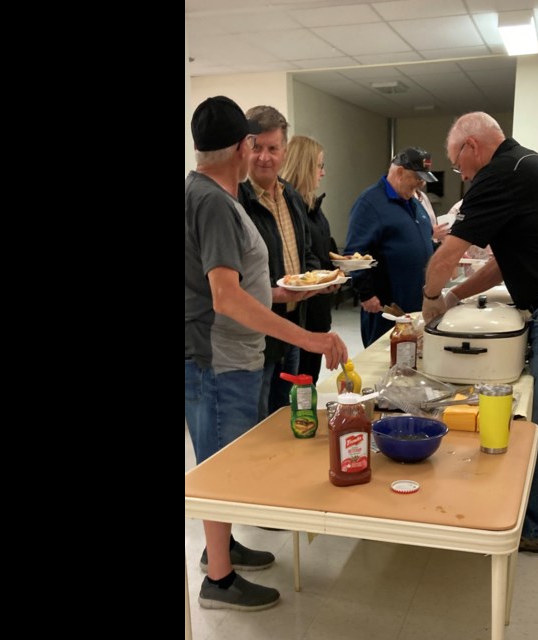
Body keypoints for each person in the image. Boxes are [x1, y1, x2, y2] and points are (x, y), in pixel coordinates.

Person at [185, 96, 348, 610]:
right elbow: (225, 296)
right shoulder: (213, 201)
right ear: (243, 146)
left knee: (224, 459)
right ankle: (219, 579)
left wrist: (280, 295)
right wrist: (311, 338)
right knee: (219, 466)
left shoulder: (203, 191)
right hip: (218, 359)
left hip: (224, 354)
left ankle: (222, 548)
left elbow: (234, 287)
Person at [421, 113, 538, 555]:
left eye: (458, 164)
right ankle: (536, 511)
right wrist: (454, 299)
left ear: (471, 147)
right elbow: (501, 263)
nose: (461, 176)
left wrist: (430, 298)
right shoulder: (525, 166)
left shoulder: (501, 173)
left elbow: (448, 254)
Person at [238, 106, 329, 420]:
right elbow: (230, 280)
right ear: (243, 147)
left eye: (272, 148)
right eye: (256, 147)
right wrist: (273, 293)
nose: (264, 157)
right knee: (257, 424)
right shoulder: (236, 202)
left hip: (292, 326)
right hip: (256, 337)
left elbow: (306, 252)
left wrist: (315, 279)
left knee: (283, 415)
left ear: (284, 152)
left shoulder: (290, 195)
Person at [345, 147, 437, 347]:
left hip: (414, 303)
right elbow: (353, 254)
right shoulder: (369, 203)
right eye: (417, 177)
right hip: (385, 306)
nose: (421, 184)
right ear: (399, 172)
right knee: (383, 359)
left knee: (411, 357)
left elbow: (424, 241)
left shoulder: (414, 203)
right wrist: (366, 293)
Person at [281, 134, 336, 383]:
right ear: (304, 165)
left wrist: (336, 267)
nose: (322, 173)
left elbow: (318, 251)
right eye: (319, 165)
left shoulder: (313, 205)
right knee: (298, 386)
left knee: (309, 381)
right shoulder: (288, 208)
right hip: (300, 311)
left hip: (318, 308)